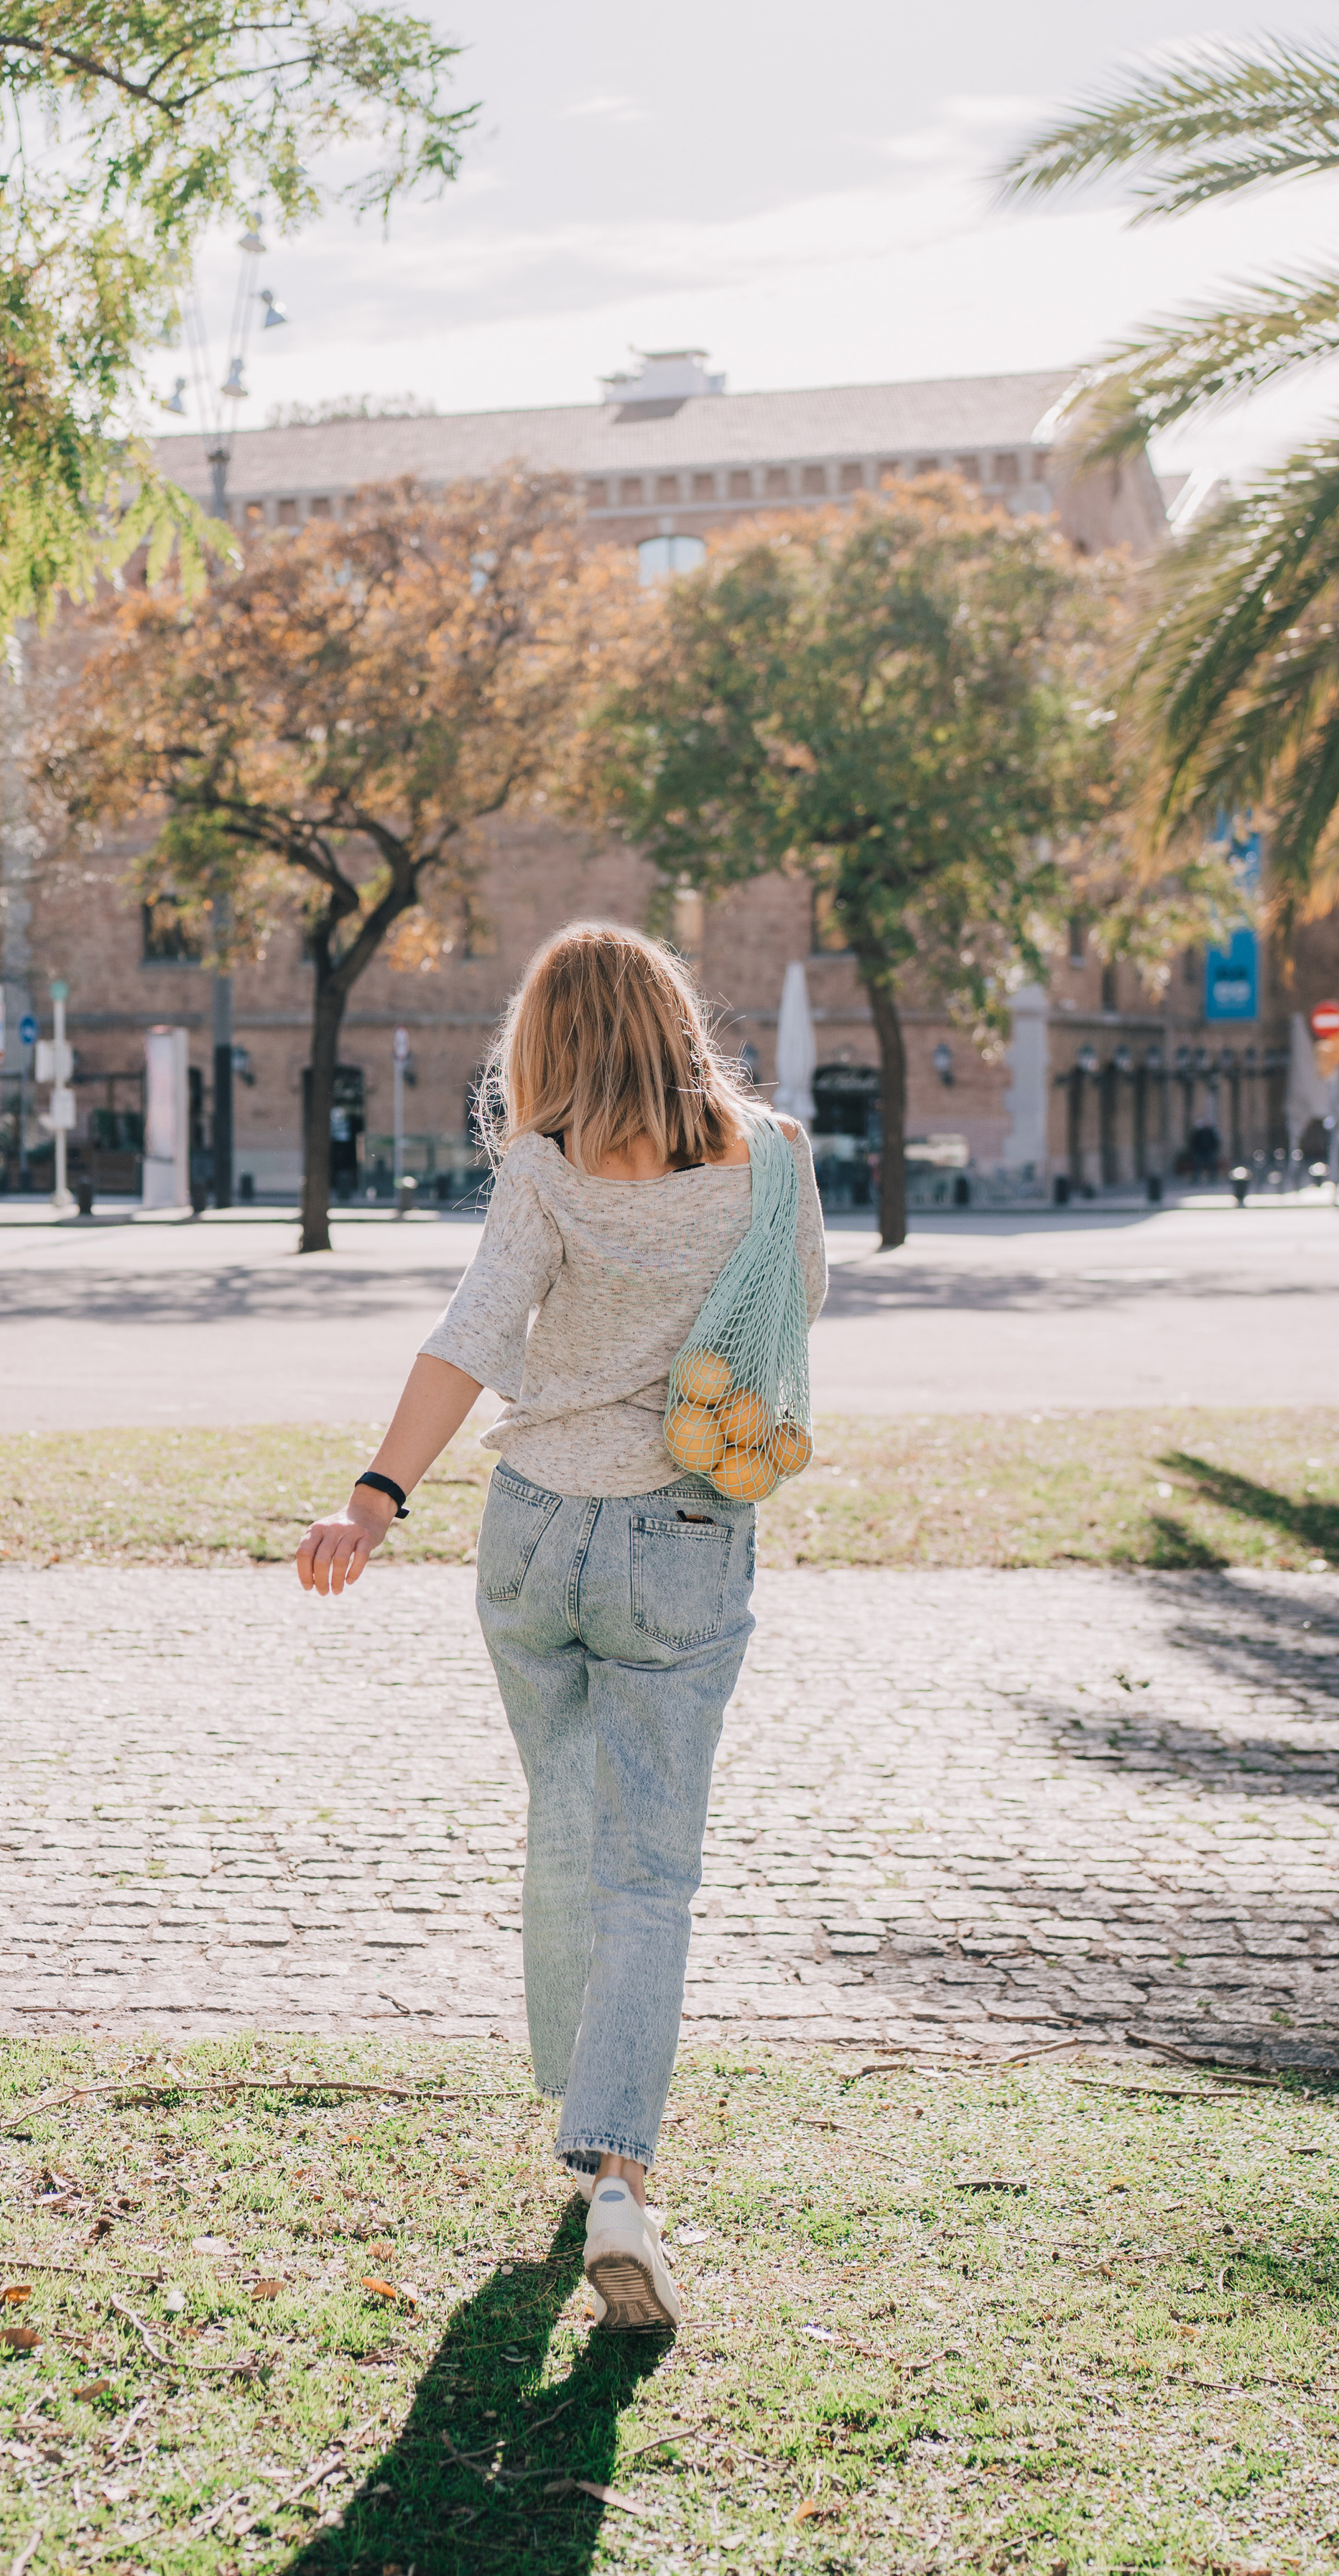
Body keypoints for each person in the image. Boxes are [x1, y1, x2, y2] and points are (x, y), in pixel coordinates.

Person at [296, 922, 827, 2330]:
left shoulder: (538, 1169)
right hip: (685, 1537)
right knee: (650, 1868)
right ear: (676, 1019)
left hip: (531, 1534)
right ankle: (617, 2177)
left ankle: (581, 2108)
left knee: (571, 1819)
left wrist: (371, 1501)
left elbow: (472, 1334)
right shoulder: (776, 1159)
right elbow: (795, 1314)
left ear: (546, 1041)